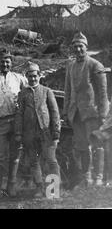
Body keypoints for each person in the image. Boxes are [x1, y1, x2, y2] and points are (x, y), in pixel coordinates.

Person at [63, 32, 109, 187]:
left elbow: (103, 94)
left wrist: (102, 115)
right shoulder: (70, 66)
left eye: (80, 46)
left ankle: (99, 177)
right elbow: (68, 90)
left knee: (97, 145)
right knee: (82, 146)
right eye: (75, 46)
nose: (78, 49)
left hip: (92, 113)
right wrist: (66, 112)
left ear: (86, 47)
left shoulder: (95, 65)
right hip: (75, 114)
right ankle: (87, 176)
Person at [0, 49, 28, 199]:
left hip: (16, 121)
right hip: (0, 122)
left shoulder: (19, 78)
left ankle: (11, 186)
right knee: (0, 156)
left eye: (7, 61)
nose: (5, 64)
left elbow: (28, 93)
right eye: (2, 61)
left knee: (15, 155)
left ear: (11, 63)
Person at [15, 62, 61, 198]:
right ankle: (39, 188)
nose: (32, 79)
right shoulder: (23, 93)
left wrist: (56, 132)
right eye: (30, 76)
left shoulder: (47, 91)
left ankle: (53, 190)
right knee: (34, 162)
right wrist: (18, 132)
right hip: (29, 134)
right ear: (26, 77)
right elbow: (19, 114)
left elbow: (54, 112)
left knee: (51, 160)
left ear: (39, 75)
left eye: (35, 76)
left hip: (45, 132)